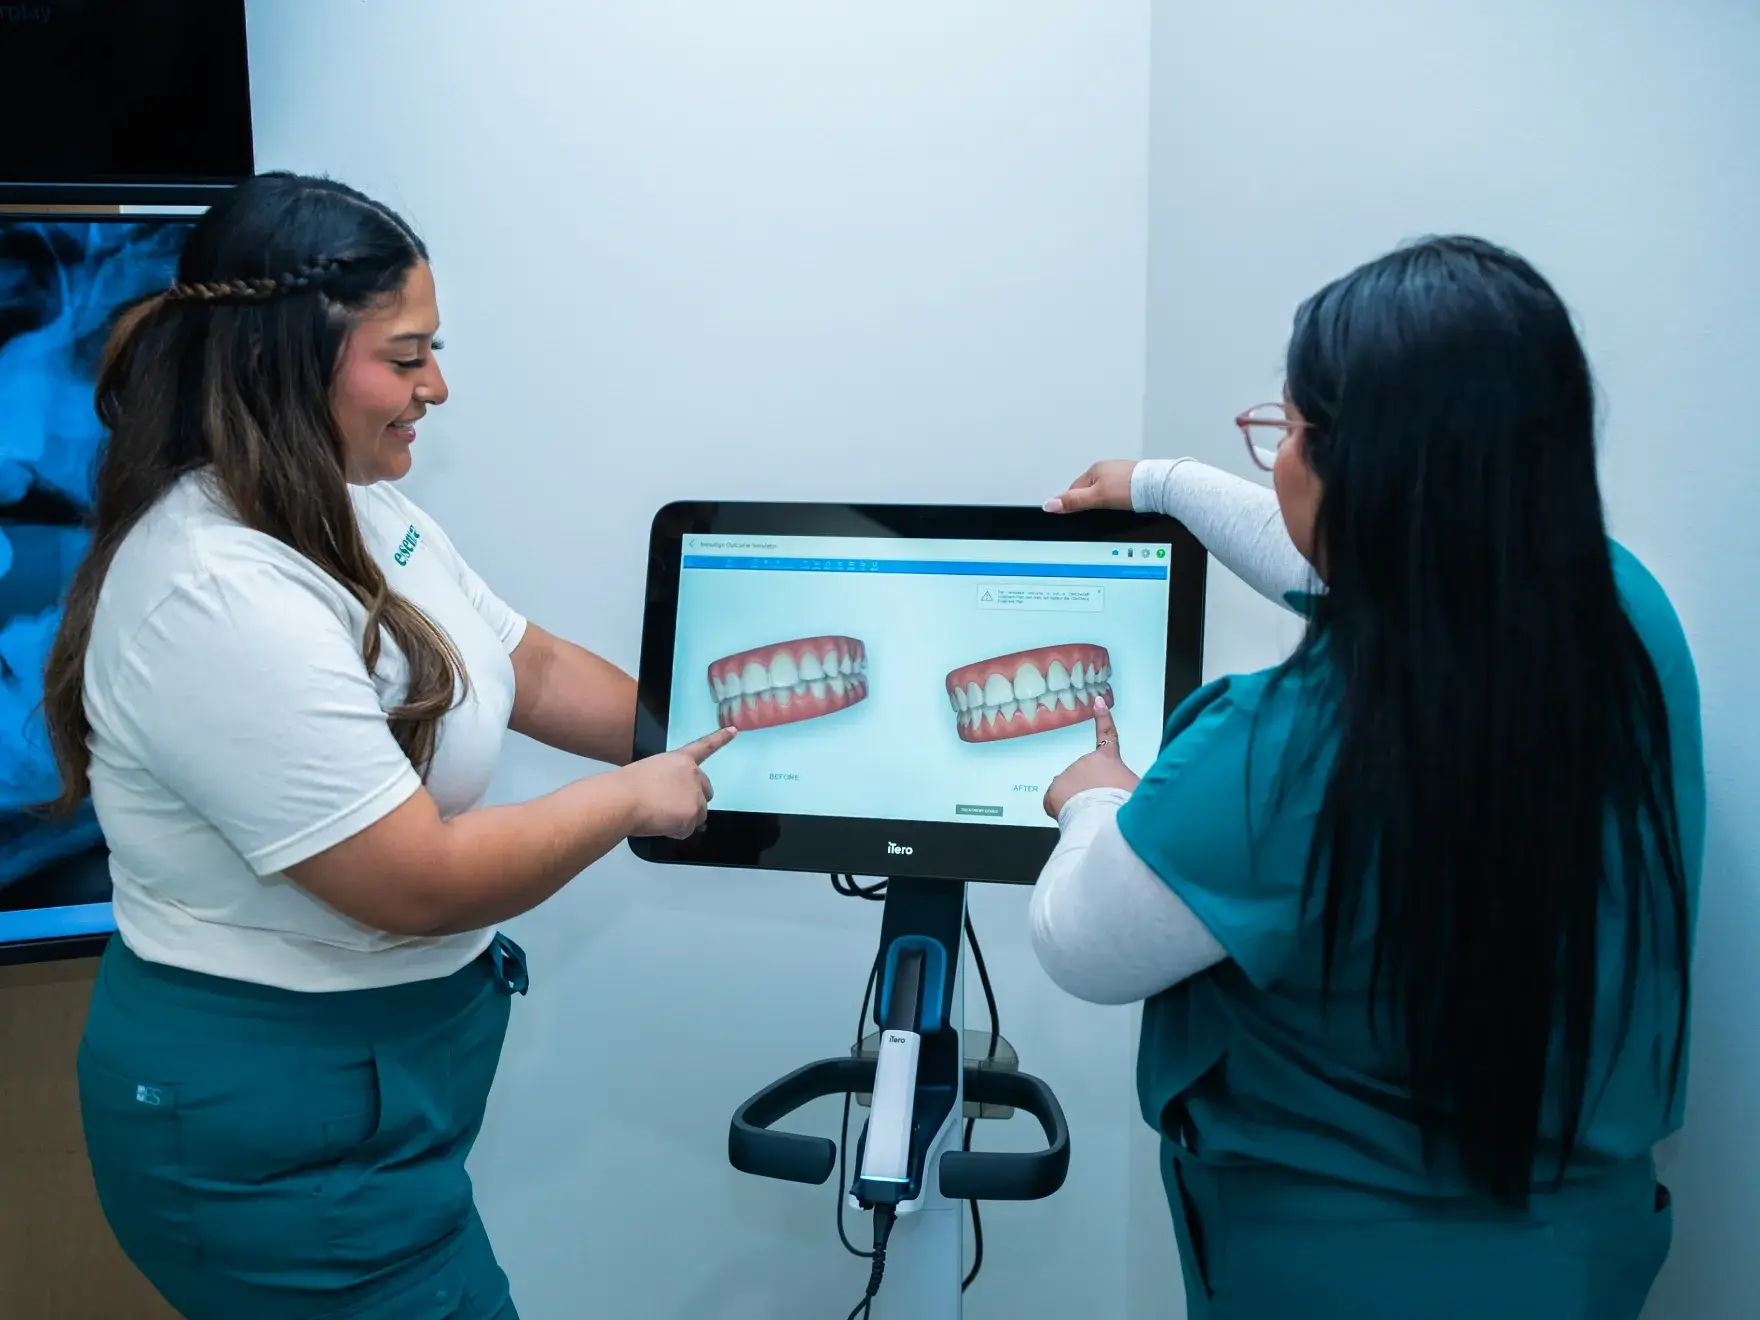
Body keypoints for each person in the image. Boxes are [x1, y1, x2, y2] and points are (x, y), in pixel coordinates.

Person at [39, 172, 733, 1320]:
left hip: (369, 1106)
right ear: (284, 358)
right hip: (270, 1135)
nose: (436, 387)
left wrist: (743, 741)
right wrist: (633, 801)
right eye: (405, 357)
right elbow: (413, 881)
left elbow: (534, 670)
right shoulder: (216, 591)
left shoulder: (357, 507)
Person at [1028, 236, 1704, 1319]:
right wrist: (1156, 485)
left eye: (1286, 430)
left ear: (1367, 473)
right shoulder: (1615, 613)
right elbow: (1354, 560)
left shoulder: (1282, 753)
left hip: (1343, 1270)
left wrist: (1093, 796)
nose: (1277, 455)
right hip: (1576, 1260)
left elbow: (1080, 943)